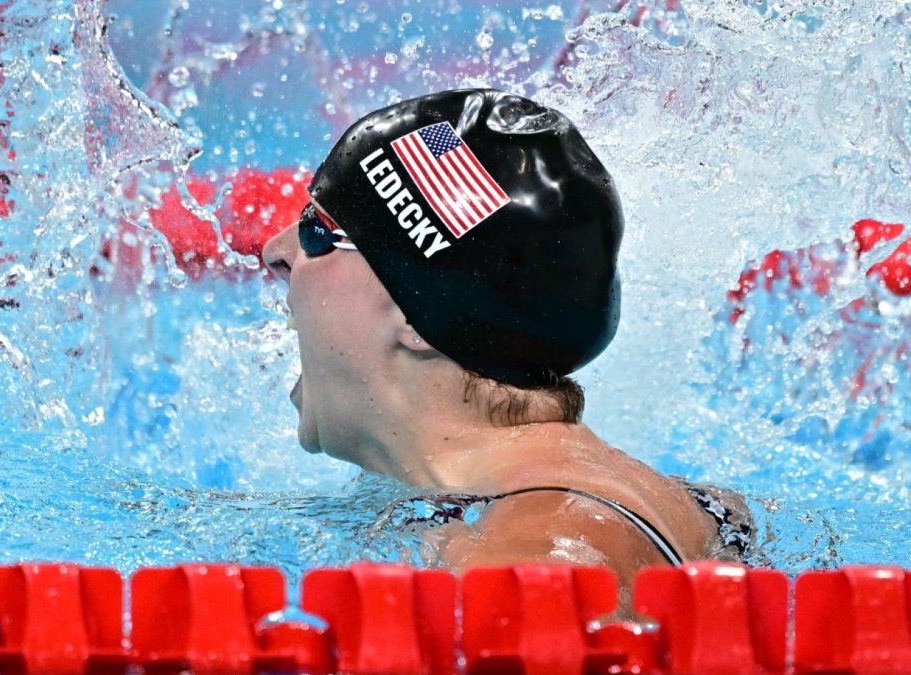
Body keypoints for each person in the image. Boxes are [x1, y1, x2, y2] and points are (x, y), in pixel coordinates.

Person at [261, 89, 752, 593]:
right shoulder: (701, 511)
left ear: (415, 310)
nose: (275, 251)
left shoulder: (529, 564)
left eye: (316, 231)